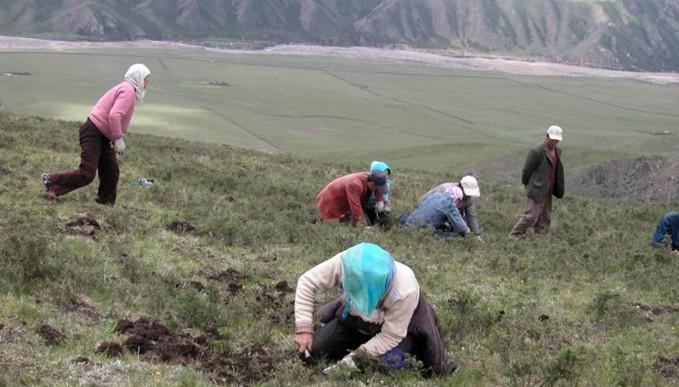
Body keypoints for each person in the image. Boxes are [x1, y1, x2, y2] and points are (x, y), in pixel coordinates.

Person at [294, 242, 455, 377]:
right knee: (315, 349)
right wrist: (303, 329)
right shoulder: (349, 262)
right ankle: (359, 344)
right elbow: (307, 282)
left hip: (397, 331)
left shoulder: (405, 291)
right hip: (355, 321)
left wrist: (350, 362)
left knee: (390, 364)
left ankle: (408, 352)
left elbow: (391, 336)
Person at [41, 64, 151, 205]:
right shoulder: (128, 91)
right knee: (87, 174)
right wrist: (118, 138)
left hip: (103, 136)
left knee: (111, 171)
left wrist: (113, 138)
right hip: (94, 132)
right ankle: (51, 181)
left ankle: (105, 203)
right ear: (138, 78)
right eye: (146, 78)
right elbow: (114, 115)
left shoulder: (127, 89)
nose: (147, 82)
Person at [509, 125, 565, 236]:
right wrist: (527, 184)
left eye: (557, 140)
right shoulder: (536, 151)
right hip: (536, 188)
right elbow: (527, 170)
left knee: (545, 218)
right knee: (530, 216)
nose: (555, 142)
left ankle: (539, 241)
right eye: (553, 140)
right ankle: (513, 237)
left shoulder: (558, 151)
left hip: (548, 188)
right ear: (547, 136)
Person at [316, 170, 389, 226]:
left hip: (345, 203)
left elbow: (378, 191)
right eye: (378, 188)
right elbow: (356, 209)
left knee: (364, 221)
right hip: (330, 203)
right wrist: (363, 225)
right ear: (373, 184)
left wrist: (380, 205)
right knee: (342, 227)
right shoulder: (355, 185)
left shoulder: (372, 178)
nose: (379, 190)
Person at [417, 175, 482, 236]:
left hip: (452, 215)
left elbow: (471, 216)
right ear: (461, 186)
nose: (467, 195)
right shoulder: (444, 188)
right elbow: (424, 200)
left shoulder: (469, 199)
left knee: (463, 225)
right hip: (434, 213)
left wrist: (476, 234)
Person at [363, 161, 393, 226]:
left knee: (382, 222)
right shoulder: (369, 182)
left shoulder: (387, 184)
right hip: (365, 207)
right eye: (385, 174)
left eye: (387, 174)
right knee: (367, 223)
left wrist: (386, 204)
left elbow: (386, 197)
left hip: (377, 208)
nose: (386, 176)